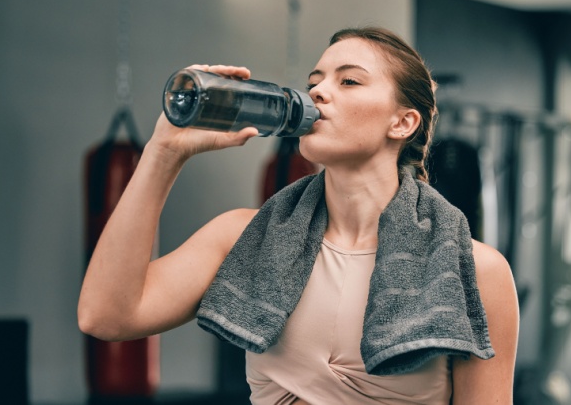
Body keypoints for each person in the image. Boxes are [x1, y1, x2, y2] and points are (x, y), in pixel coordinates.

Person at [78, 27, 519, 404]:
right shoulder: (244, 236)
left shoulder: (477, 272)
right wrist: (162, 153)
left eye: (349, 82)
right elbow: (105, 316)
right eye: (315, 81)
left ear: (403, 123)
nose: (318, 91)